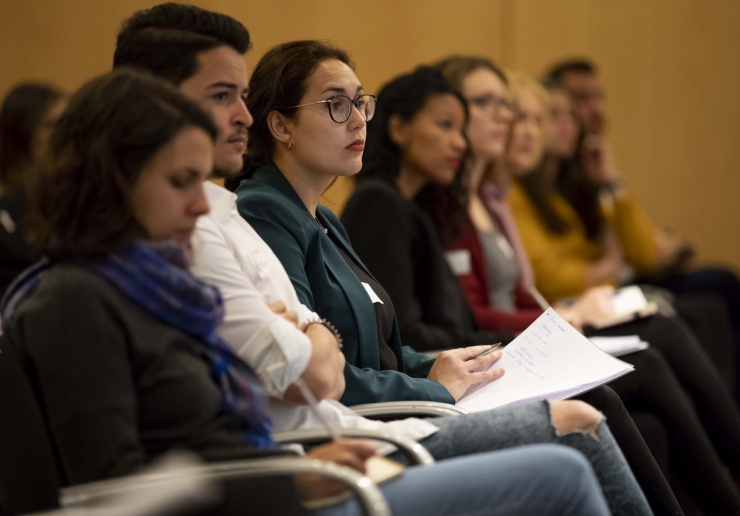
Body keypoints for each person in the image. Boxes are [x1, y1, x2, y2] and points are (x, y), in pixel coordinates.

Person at [0, 66, 613, 516]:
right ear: (114, 180)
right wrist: (291, 477)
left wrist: (296, 461)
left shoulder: (163, 289)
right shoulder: (73, 301)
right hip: (275, 492)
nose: (201, 204)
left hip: (294, 469)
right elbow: (112, 492)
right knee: (562, 464)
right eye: (182, 181)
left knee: (575, 437)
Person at [227, 38, 654, 515]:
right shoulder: (266, 211)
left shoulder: (323, 218)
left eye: (360, 104)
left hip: (398, 408)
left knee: (598, 396)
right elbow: (317, 371)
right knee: (580, 422)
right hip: (362, 430)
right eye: (335, 105)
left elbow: (385, 347)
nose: (356, 121)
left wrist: (445, 363)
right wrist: (434, 385)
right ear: (281, 124)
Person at [501, 70, 740, 515]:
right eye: (539, 116)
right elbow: (553, 275)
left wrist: (613, 185)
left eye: (549, 118)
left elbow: (639, 252)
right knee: (666, 339)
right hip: (539, 329)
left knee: (704, 305)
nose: (566, 124)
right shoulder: (512, 196)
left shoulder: (549, 191)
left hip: (560, 316)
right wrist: (602, 271)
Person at [544, 59, 740, 384]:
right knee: (708, 308)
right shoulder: (543, 183)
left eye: (598, 97)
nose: (590, 110)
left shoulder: (585, 168)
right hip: (592, 296)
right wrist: (613, 262)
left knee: (722, 285)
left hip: (612, 285)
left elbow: (642, 250)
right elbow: (561, 275)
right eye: (579, 100)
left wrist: (612, 182)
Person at [0, 83, 66, 294]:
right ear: (21, 133)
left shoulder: (71, 195)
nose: (63, 134)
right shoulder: (8, 205)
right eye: (50, 124)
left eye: (67, 123)